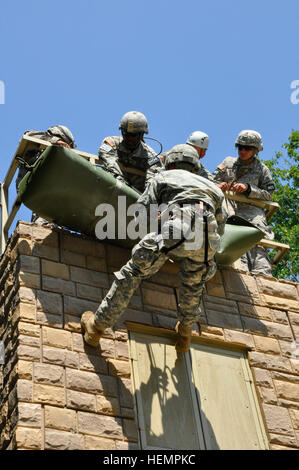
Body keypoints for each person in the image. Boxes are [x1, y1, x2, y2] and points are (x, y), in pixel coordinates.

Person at [81, 144, 227, 353]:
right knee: (193, 285)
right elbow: (221, 228)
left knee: (132, 273)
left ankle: (96, 328)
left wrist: (160, 219)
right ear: (195, 166)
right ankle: (185, 333)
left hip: (175, 232)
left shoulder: (163, 177)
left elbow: (142, 212)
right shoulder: (214, 188)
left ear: (171, 163)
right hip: (207, 242)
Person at [213, 129, 275, 275]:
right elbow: (211, 180)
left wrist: (248, 189)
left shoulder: (262, 170)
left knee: (258, 239)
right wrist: (218, 185)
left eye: (247, 148)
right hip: (229, 207)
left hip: (252, 211)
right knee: (232, 238)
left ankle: (262, 275)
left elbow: (268, 194)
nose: (243, 151)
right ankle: (239, 272)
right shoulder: (228, 162)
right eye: (240, 147)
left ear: (256, 150)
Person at [16, 125, 76, 224]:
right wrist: (55, 141)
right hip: (32, 185)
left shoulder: (56, 156)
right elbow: (27, 136)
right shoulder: (39, 142)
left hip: (46, 193)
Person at [98, 111, 163, 193]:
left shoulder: (151, 156)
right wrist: (118, 178)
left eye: (133, 135)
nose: (129, 138)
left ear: (141, 134)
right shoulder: (111, 143)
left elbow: (155, 176)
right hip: (111, 188)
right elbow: (107, 158)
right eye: (125, 133)